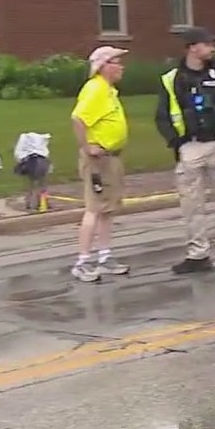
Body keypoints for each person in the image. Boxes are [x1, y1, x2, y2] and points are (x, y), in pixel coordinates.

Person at [154, 27, 215, 274]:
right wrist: (177, 142)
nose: (212, 48)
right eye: (207, 44)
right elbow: (163, 116)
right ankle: (198, 254)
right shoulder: (172, 79)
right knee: (191, 203)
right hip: (190, 147)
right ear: (192, 48)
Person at [70, 45, 131, 283]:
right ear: (104, 66)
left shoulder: (108, 91)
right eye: (116, 61)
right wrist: (87, 147)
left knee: (107, 208)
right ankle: (82, 261)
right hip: (98, 161)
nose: (121, 66)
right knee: (94, 208)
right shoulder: (95, 89)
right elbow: (78, 118)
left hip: (110, 158)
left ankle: (105, 257)